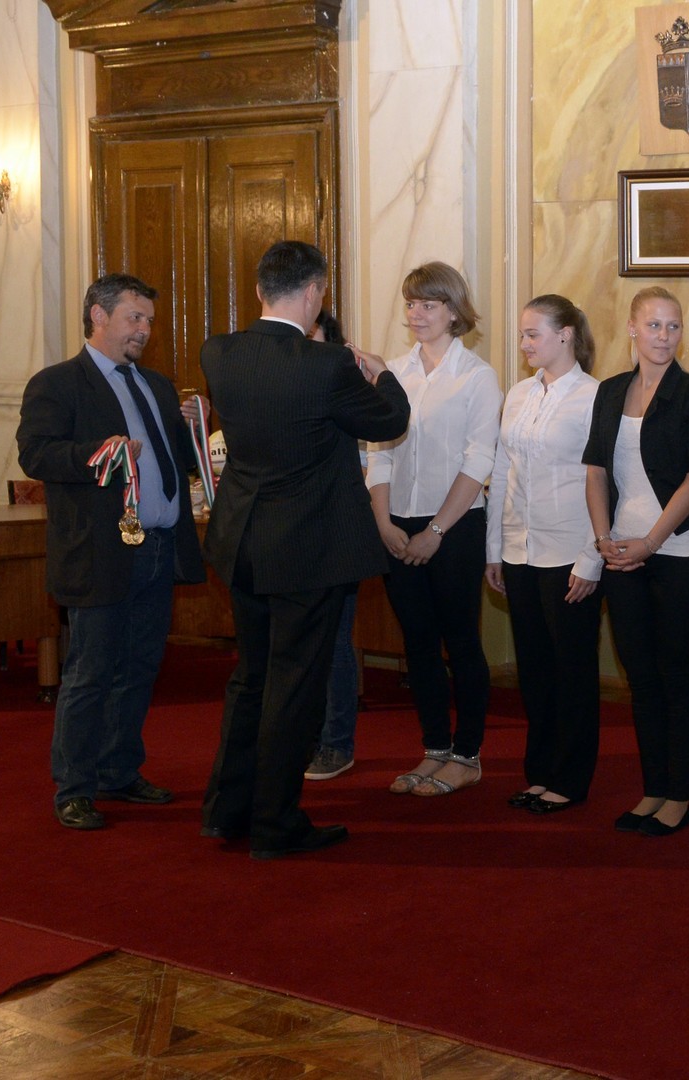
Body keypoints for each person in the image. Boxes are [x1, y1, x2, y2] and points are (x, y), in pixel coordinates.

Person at [200, 240, 408, 858]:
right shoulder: (327, 366)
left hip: (242, 542)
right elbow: (388, 421)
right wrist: (381, 372)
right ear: (315, 292)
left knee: (251, 678)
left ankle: (227, 811)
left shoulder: (219, 352)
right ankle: (275, 824)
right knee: (294, 686)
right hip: (307, 550)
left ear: (260, 290)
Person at [17, 273, 206, 830]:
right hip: (99, 551)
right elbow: (36, 454)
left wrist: (194, 429)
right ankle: (74, 788)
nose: (144, 330)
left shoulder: (157, 385)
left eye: (148, 320)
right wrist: (98, 453)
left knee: (140, 668)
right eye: (134, 318)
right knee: (90, 672)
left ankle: (119, 771)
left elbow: (177, 463)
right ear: (98, 316)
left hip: (158, 547)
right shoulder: (58, 383)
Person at [583, 286, 689, 836]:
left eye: (674, 326)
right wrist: (603, 538)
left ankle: (679, 798)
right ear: (632, 329)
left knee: (674, 676)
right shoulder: (610, 391)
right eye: (655, 325)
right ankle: (653, 789)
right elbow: (596, 471)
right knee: (639, 679)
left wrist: (651, 542)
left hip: (678, 552)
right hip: (620, 553)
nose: (665, 336)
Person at [370, 262, 502, 797]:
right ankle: (434, 749)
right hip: (397, 525)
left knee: (461, 641)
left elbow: (479, 460)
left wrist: (436, 531)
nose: (416, 314)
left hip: (456, 526)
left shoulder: (476, 375)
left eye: (428, 304)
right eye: (411, 304)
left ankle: (467, 755)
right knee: (418, 645)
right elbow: (380, 453)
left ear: (453, 311)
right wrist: (383, 522)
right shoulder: (394, 373)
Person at [485, 294, 603, 814]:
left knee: (572, 670)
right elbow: (501, 472)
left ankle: (570, 779)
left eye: (533, 334)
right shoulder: (518, 393)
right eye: (523, 334)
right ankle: (540, 772)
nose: (525, 343)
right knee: (534, 670)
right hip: (520, 549)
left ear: (565, 335)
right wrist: (495, 548)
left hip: (570, 553)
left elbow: (603, 482)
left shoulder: (594, 396)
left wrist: (592, 558)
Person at [304, 309, 363, 782]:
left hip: (338, 533)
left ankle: (336, 742)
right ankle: (304, 736)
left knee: (335, 643)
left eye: (313, 339)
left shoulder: (348, 391)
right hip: (293, 536)